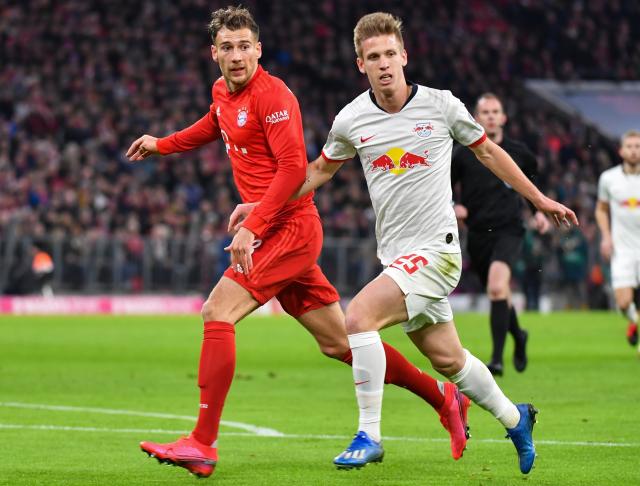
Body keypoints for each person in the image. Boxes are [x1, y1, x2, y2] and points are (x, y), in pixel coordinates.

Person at [125, 6, 470, 479]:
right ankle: (444, 396)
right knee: (341, 343)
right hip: (276, 230)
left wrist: (253, 226)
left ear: (258, 48)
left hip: (288, 229)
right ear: (214, 53)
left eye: (245, 45)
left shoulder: (274, 95)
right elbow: (214, 124)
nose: (237, 55)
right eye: (227, 47)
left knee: (216, 312)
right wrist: (162, 144)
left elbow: (293, 169)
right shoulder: (223, 93)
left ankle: (202, 443)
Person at [234, 12, 578, 475]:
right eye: (373, 57)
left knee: (358, 317)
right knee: (449, 360)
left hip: (437, 252)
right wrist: (260, 207)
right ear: (361, 64)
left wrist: (538, 199)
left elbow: (489, 152)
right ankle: (517, 420)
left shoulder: (441, 105)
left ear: (405, 56)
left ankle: (369, 434)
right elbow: (317, 172)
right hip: (397, 257)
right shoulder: (352, 119)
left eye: (391, 54)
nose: (384, 64)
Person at [451, 93, 550, 376]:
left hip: (509, 230)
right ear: (476, 118)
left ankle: (496, 359)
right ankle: (518, 335)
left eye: (496, 111)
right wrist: (454, 205)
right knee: (500, 294)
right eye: (486, 112)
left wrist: (538, 212)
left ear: (504, 117)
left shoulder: (520, 153)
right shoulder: (463, 154)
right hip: (478, 234)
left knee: (496, 287)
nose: (491, 116)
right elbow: (445, 186)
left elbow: (531, 184)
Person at [595, 129, 640, 351]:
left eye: (637, 146)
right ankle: (634, 320)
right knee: (623, 303)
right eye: (630, 146)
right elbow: (601, 210)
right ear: (621, 151)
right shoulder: (609, 178)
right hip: (622, 248)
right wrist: (606, 236)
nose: (634, 151)